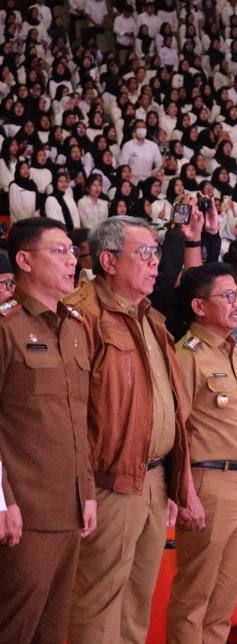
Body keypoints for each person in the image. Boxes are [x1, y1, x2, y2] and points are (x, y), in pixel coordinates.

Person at [67, 214, 193, 644]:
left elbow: (170, 407)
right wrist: (83, 486)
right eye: (144, 253)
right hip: (109, 484)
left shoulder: (149, 317)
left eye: (156, 253)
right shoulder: (82, 314)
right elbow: (71, 410)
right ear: (108, 260)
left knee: (138, 601)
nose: (155, 262)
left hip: (154, 478)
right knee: (98, 602)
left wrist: (175, 481)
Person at [0, 218, 95, 644]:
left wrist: (87, 492)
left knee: (53, 632)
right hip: (23, 512)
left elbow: (78, 419)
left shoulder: (75, 327)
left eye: (73, 252)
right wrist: (0, 501)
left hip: (70, 509)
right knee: (13, 627)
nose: (71, 259)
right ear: (23, 260)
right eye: (59, 251)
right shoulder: (5, 326)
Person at [167, 263, 237, 643]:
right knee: (195, 597)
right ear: (200, 306)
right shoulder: (187, 354)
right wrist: (185, 492)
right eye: (229, 296)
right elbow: (177, 430)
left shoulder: (232, 352)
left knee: (224, 598)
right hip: (207, 484)